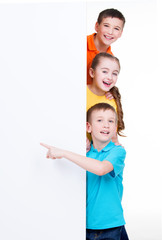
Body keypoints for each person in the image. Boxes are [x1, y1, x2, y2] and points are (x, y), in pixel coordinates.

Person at [40, 103, 129, 240]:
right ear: (89, 127)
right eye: (100, 120)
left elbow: (101, 169)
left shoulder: (117, 152)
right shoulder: (85, 155)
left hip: (111, 227)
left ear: (115, 128)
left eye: (110, 121)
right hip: (84, 227)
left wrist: (63, 152)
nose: (106, 125)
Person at [87, 52, 125, 146]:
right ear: (92, 73)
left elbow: (111, 134)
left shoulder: (111, 100)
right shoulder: (80, 93)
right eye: (104, 71)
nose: (109, 77)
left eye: (114, 73)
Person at [87, 8, 125, 85]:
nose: (110, 32)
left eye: (116, 28)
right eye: (106, 26)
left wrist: (109, 91)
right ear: (97, 26)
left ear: (120, 33)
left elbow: (104, 84)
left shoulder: (111, 59)